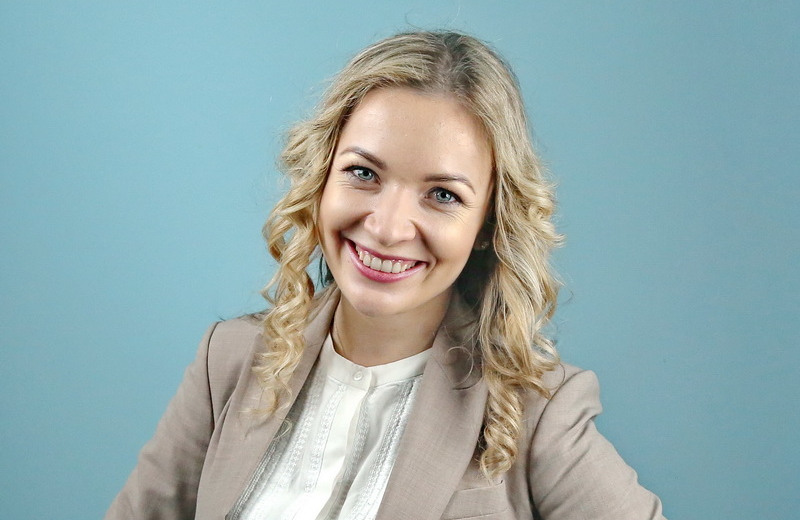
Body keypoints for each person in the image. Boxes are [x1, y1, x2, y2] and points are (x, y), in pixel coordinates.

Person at [105, 31, 666, 520]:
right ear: (321, 178)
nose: (389, 226)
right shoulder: (227, 360)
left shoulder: (539, 413)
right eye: (364, 173)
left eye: (443, 194)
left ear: (488, 222)